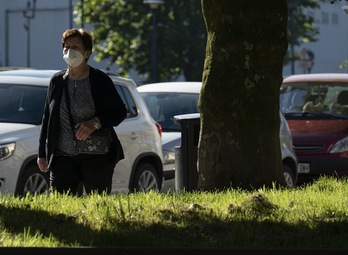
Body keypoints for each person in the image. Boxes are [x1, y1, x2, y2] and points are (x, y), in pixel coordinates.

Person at [37, 28, 127, 195]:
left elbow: (120, 112)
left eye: (76, 47)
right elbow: (47, 118)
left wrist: (95, 123)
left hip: (95, 155)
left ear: (87, 52)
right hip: (62, 155)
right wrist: (42, 153)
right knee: (60, 205)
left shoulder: (100, 80)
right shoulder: (57, 81)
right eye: (66, 47)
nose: (70, 51)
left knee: (97, 203)